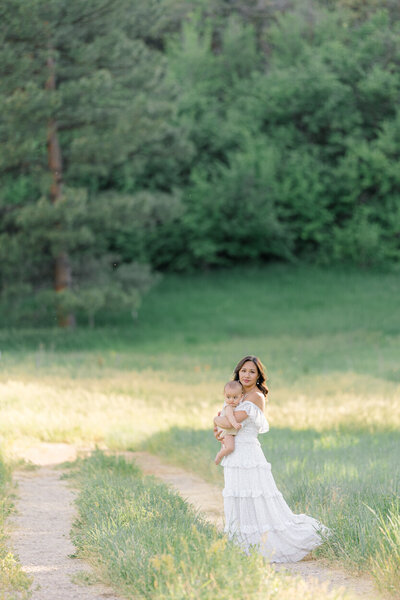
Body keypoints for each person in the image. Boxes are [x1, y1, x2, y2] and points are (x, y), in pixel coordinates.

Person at [213, 355, 329, 563]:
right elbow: (224, 424)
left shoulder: (256, 396)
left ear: (258, 376)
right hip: (233, 454)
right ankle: (240, 543)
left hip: (248, 453)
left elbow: (230, 422)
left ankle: (263, 542)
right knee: (238, 495)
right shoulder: (234, 393)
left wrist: (216, 420)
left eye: (252, 372)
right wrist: (219, 428)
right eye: (243, 371)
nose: (247, 375)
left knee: (256, 496)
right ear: (238, 372)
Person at [214, 381, 244, 465]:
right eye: (228, 397)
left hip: (228, 430)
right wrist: (235, 424)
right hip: (227, 430)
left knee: (226, 445)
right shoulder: (228, 407)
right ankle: (219, 456)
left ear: (241, 397)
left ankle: (221, 451)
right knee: (230, 447)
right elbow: (230, 416)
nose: (231, 400)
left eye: (235, 397)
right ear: (224, 395)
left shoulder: (236, 405)